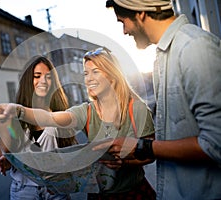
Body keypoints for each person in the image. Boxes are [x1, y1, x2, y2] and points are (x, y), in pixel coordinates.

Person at [0, 47, 156, 199]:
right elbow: (48, 119)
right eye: (86, 73)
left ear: (112, 75)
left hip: (131, 192)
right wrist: (17, 111)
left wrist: (122, 162)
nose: (89, 78)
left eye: (96, 72)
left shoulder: (138, 110)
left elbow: (152, 152)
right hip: (91, 194)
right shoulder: (85, 111)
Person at [94, 0, 221, 199]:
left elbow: (215, 143)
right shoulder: (164, 56)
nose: (124, 31)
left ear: (140, 13)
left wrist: (143, 147)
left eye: (123, 22)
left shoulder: (194, 48)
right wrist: (143, 152)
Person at [0, 55, 77, 200]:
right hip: (23, 191)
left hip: (55, 190)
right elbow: (5, 157)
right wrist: (6, 161)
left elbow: (70, 156)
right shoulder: (14, 116)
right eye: (37, 76)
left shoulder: (60, 115)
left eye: (48, 77)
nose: (43, 81)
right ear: (28, 80)